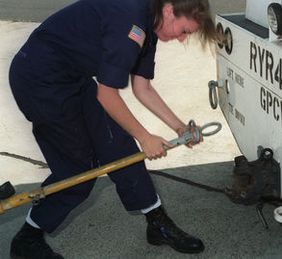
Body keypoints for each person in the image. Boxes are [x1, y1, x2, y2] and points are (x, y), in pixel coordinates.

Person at [8, 0, 217, 258]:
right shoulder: (131, 20)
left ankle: (157, 223)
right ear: (169, 10)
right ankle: (27, 238)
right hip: (39, 80)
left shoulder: (149, 25)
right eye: (184, 31)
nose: (183, 39)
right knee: (78, 169)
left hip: (72, 78)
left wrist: (179, 128)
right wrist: (144, 136)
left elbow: (143, 88)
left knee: (118, 145)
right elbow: (107, 95)